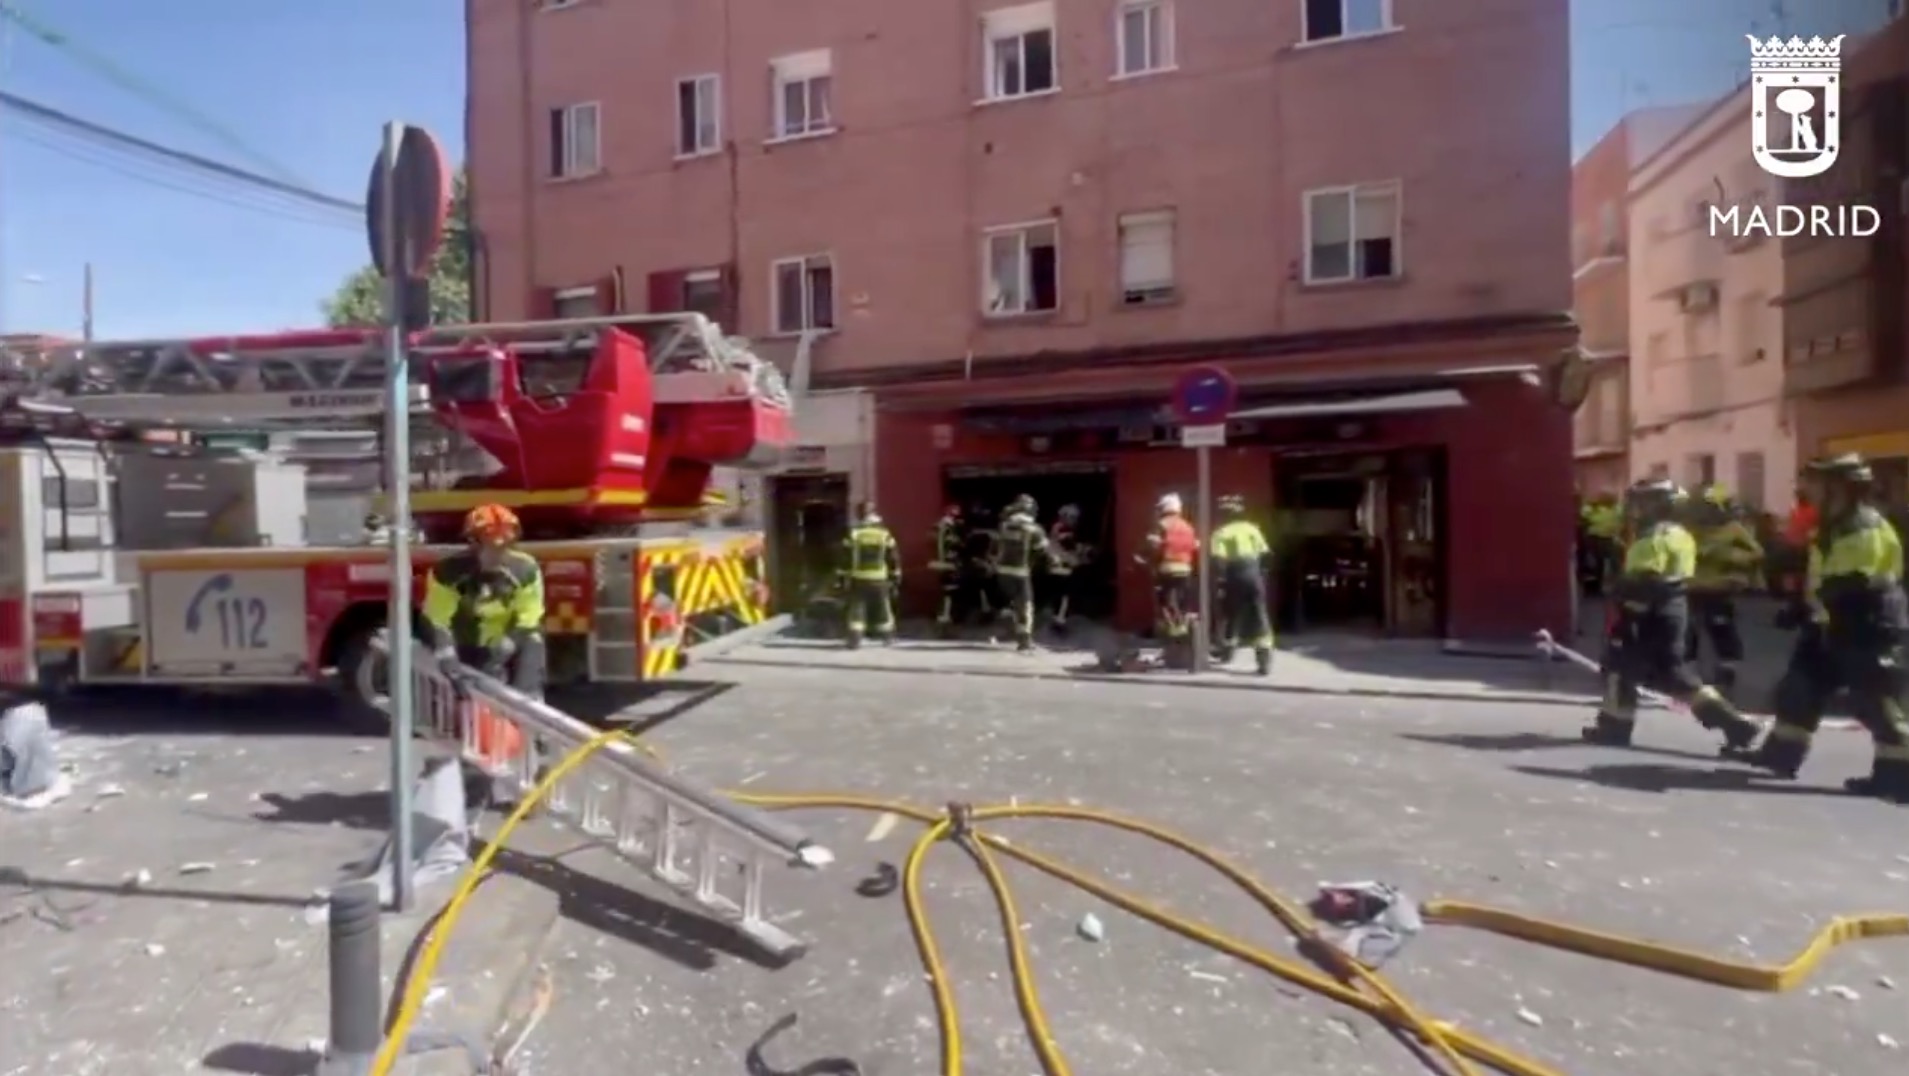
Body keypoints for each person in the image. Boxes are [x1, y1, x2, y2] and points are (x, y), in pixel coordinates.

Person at [1737, 453, 1909, 799]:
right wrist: (1802, 607)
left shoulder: (1863, 527)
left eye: (1815, 483)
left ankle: (1899, 776)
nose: (1807, 489)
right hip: (1830, 621)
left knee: (1875, 702)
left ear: (1840, 488)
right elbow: (1824, 577)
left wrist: (1811, 605)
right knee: (1799, 688)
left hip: (1867, 626)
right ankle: (1781, 755)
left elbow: (1850, 584)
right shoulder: (1832, 524)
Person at [1581, 478, 1762, 752]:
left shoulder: (1651, 539)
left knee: (1619, 665)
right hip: (1675, 608)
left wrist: (1626, 618)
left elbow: (1644, 582)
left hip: (1649, 612)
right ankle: (1734, 724)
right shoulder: (1680, 534)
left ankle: (1615, 726)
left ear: (1658, 506)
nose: (1636, 510)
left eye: (1643, 503)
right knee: (1676, 675)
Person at [422, 503, 547, 698]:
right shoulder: (447, 573)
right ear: (473, 544)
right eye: (490, 547)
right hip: (465, 643)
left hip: (507, 643)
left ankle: (529, 703)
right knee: (458, 689)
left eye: (504, 547)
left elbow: (529, 615)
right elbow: (438, 618)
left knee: (534, 640)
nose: (497, 554)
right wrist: (447, 656)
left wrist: (508, 644)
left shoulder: (525, 570)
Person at [1684, 483, 1763, 692]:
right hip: (1691, 586)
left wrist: (1729, 556)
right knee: (1688, 629)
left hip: (1719, 588)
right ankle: (1688, 670)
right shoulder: (1690, 529)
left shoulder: (1733, 529)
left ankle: (1727, 669)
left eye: (1709, 507)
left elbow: (1757, 553)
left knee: (1721, 628)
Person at [1209, 494, 1275, 675]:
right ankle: (1264, 659)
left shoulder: (1221, 533)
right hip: (1254, 573)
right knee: (1259, 614)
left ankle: (1227, 651)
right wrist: (1262, 576)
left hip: (1234, 573)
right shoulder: (1252, 529)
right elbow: (1266, 554)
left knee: (1231, 613)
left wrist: (1221, 581)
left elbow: (1218, 560)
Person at [1144, 493, 1200, 664]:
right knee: (1181, 606)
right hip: (1186, 570)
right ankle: (1184, 637)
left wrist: (1146, 556)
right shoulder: (1188, 526)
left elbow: (1154, 546)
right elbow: (1195, 546)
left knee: (1167, 606)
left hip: (1167, 569)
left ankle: (1177, 640)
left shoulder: (1162, 524)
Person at [840, 501, 900, 648]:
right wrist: (895, 574)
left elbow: (845, 557)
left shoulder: (854, 533)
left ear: (860, 514)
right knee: (883, 608)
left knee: (857, 609)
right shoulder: (884, 533)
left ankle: (855, 639)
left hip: (858, 578)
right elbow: (892, 556)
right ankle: (888, 638)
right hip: (880, 578)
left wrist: (842, 577)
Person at [993, 494, 1048, 652]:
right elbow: (1042, 550)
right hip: (1021, 571)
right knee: (1025, 604)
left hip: (1002, 571)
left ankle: (1007, 628)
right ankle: (1024, 640)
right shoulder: (1033, 528)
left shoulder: (1004, 525)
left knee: (1009, 602)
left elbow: (995, 547)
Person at [1046, 503, 1084, 631]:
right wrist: (1079, 553)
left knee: (1057, 595)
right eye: (1072, 517)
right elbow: (1069, 547)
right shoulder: (1064, 530)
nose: (1074, 520)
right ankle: (1060, 622)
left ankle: (1056, 619)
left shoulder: (1055, 528)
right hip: (1063, 567)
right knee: (1065, 596)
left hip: (1054, 566)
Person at [929, 503, 965, 636]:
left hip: (942, 563)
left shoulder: (938, 526)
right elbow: (944, 545)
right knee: (949, 594)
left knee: (947, 594)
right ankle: (944, 625)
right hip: (946, 564)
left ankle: (943, 622)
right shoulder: (946, 527)